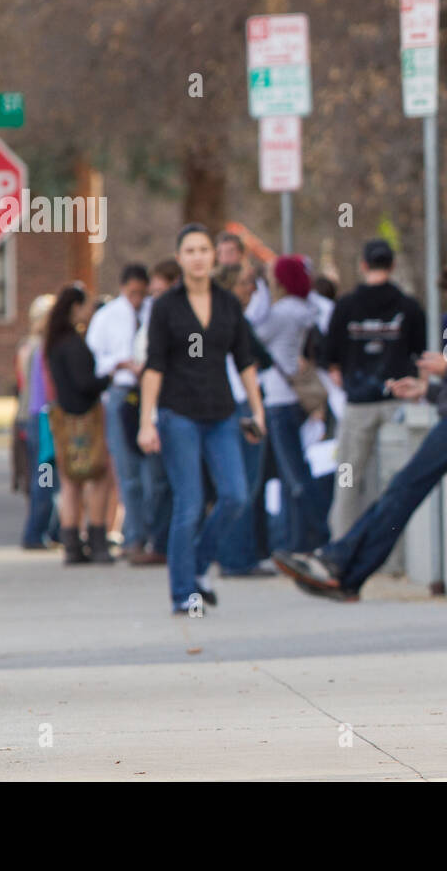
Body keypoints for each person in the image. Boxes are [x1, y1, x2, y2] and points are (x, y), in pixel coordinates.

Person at [277, 256, 447, 602]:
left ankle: (337, 562)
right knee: (402, 493)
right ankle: (347, 575)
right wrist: (427, 389)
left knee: (402, 490)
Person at [138, 224, 266, 614]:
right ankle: (183, 593)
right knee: (189, 504)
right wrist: (147, 421)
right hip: (179, 416)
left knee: (235, 496)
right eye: (190, 250)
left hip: (222, 413)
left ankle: (197, 563)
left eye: (204, 250)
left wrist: (257, 411)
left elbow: (245, 361)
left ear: (213, 257)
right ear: (179, 259)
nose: (197, 257)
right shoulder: (166, 307)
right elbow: (154, 366)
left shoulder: (227, 304)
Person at [320, 238, 426, 537]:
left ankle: (341, 545)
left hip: (357, 405)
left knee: (347, 480)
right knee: (399, 479)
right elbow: (422, 356)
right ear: (392, 266)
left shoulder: (346, 306)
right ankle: (397, 548)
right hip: (398, 401)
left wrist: (342, 376)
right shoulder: (408, 307)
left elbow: (330, 360)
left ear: (363, 265)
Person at [255, 255, 330, 556]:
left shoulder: (282, 312)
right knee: (286, 473)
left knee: (293, 476)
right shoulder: (306, 309)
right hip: (291, 399)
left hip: (279, 399)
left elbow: (253, 338)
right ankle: (289, 539)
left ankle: (311, 538)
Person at [212, 262, 276, 577]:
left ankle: (231, 554)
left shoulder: (210, 313)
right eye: (245, 283)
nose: (251, 289)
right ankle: (236, 558)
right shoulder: (232, 315)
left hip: (223, 405)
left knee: (231, 484)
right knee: (244, 483)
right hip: (239, 405)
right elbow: (261, 356)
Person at [44, 284, 115, 565]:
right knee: (99, 475)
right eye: (86, 305)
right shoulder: (73, 344)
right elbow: (85, 383)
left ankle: (71, 541)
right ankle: (97, 540)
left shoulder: (53, 342)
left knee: (70, 481)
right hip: (83, 417)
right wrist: (108, 377)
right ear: (76, 307)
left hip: (62, 416)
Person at [86, 264, 150, 561]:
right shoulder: (107, 317)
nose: (138, 298)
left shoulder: (151, 311)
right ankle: (133, 536)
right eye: (133, 292)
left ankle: (148, 534)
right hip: (121, 392)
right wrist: (121, 363)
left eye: (142, 292)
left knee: (151, 472)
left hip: (149, 392)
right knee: (127, 470)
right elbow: (94, 359)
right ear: (124, 288)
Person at [131, 258, 180, 565]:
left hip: (182, 407)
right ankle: (160, 542)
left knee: (176, 484)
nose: (154, 298)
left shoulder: (182, 316)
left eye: (160, 291)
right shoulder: (154, 317)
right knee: (158, 481)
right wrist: (146, 422)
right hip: (159, 408)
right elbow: (148, 367)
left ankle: (171, 544)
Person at [16, 294, 59, 549]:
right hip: (40, 417)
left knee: (46, 479)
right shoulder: (39, 347)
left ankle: (49, 529)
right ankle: (34, 532)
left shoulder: (28, 346)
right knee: (44, 478)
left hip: (33, 417)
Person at [216, 230, 270, 324]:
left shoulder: (254, 279)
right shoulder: (214, 281)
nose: (225, 258)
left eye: (230, 252)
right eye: (221, 253)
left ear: (241, 254)